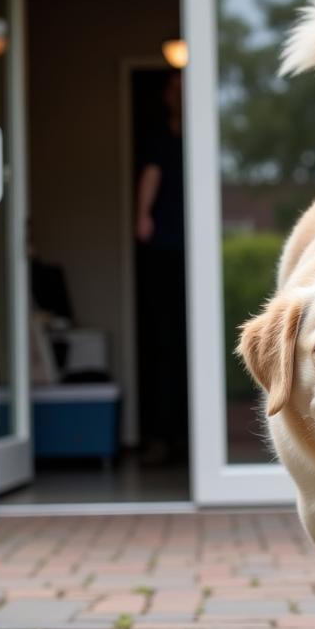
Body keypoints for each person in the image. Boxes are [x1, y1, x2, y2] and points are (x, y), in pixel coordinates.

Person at [134, 69, 189, 466]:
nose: (176, 93)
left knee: (193, 345)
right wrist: (143, 215)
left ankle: (190, 439)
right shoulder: (160, 137)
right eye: (171, 87)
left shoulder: (204, 134)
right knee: (165, 343)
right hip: (167, 249)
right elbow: (150, 175)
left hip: (197, 252)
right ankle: (162, 437)